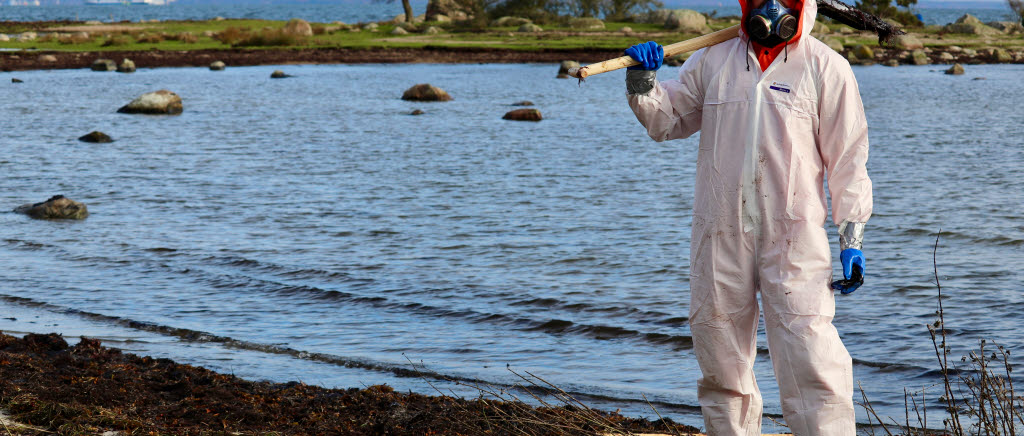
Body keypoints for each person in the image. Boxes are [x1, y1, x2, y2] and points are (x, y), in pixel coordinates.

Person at [623, 0, 872, 433]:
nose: (770, 6)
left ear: (802, 5)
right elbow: (666, 121)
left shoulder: (826, 67)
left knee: (811, 355)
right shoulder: (712, 60)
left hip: (795, 236)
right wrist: (644, 80)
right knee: (720, 355)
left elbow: (848, 159)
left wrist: (851, 237)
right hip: (720, 231)